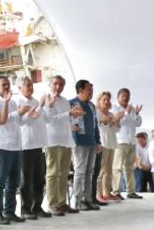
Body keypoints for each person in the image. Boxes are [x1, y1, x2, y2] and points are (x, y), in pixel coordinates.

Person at [0, 75, 32, 224]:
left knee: (13, 182)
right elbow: (1, 120)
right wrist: (18, 113)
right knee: (0, 182)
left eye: (8, 85)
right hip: (3, 145)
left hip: (16, 146)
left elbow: (18, 121)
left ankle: (9, 211)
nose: (7, 87)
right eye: (4, 85)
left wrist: (27, 115)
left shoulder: (13, 102)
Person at [44, 75, 84, 215]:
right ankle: (52, 203)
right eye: (55, 84)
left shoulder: (65, 101)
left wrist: (76, 116)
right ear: (50, 84)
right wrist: (68, 114)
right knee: (53, 173)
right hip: (52, 140)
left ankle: (62, 202)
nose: (58, 87)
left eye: (61, 84)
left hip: (65, 139)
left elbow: (69, 122)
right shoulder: (46, 98)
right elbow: (48, 120)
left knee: (64, 173)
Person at [17, 77, 52, 218]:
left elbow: (45, 119)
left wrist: (47, 106)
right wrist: (40, 106)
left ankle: (37, 207)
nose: (30, 87)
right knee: (27, 180)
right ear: (19, 88)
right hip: (26, 146)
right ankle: (26, 209)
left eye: (31, 85)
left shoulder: (36, 101)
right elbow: (24, 120)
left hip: (38, 145)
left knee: (39, 179)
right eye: (27, 85)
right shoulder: (18, 102)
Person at [69, 79, 100, 211]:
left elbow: (95, 125)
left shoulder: (92, 106)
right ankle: (78, 200)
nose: (91, 92)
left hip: (92, 142)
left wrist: (98, 141)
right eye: (89, 89)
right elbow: (68, 123)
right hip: (79, 142)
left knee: (90, 172)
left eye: (92, 90)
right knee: (80, 171)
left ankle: (88, 199)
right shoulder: (71, 103)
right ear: (80, 90)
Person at [111, 88, 143, 199]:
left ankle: (131, 191)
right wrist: (126, 112)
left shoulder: (132, 108)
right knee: (117, 168)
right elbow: (116, 121)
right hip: (120, 141)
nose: (126, 98)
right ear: (118, 97)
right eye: (124, 95)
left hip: (131, 141)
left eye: (128, 96)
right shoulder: (114, 107)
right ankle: (116, 192)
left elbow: (138, 123)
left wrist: (137, 113)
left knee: (130, 168)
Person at [95, 91, 118, 203]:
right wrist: (107, 122)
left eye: (108, 99)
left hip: (111, 143)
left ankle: (107, 193)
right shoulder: (97, 113)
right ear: (99, 101)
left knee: (109, 170)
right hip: (102, 143)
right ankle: (98, 194)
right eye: (104, 99)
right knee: (101, 170)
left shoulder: (111, 114)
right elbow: (100, 128)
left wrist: (115, 122)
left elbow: (116, 130)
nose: (106, 101)